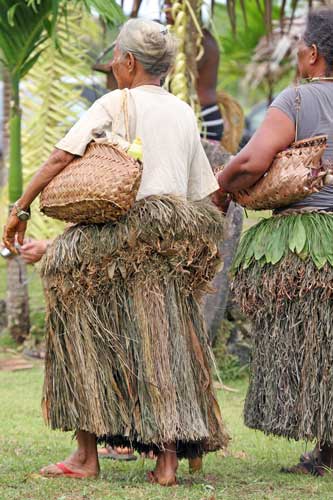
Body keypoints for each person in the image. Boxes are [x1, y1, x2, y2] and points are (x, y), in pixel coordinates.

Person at [3, 19, 228, 486]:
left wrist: (20, 208)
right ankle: (166, 462)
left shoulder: (115, 100)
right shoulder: (185, 113)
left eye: (114, 58)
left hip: (115, 238)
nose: (111, 65)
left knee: (74, 327)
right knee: (160, 343)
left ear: (128, 62)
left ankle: (87, 456)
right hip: (164, 246)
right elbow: (201, 193)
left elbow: (62, 157)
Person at [216, 7, 333, 476]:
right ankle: (327, 448)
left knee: (318, 349)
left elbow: (255, 159)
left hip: (311, 240)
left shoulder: (298, 101)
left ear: (312, 55)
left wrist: (221, 184)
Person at [165, 2, 223, 142]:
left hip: (203, 119)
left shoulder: (199, 42)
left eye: (169, 4)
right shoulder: (195, 39)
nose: (165, 10)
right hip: (200, 115)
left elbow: (175, 75)